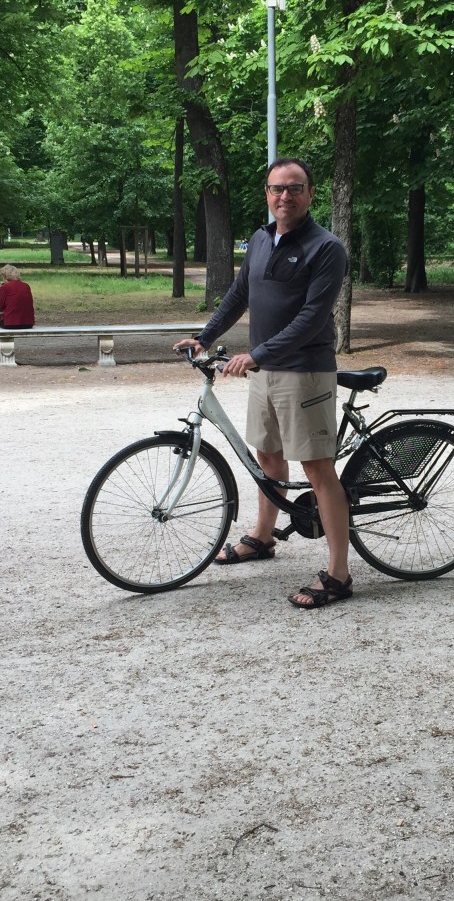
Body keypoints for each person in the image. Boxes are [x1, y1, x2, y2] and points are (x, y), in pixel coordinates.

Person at [174, 157, 352, 609]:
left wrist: (256, 354)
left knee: (317, 469)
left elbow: (312, 318)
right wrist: (205, 336)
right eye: (277, 188)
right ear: (267, 193)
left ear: (310, 193)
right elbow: (240, 294)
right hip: (265, 371)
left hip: (304, 371)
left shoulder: (326, 247)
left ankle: (338, 575)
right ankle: (263, 537)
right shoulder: (259, 239)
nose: (285, 196)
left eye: (294, 188)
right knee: (268, 455)